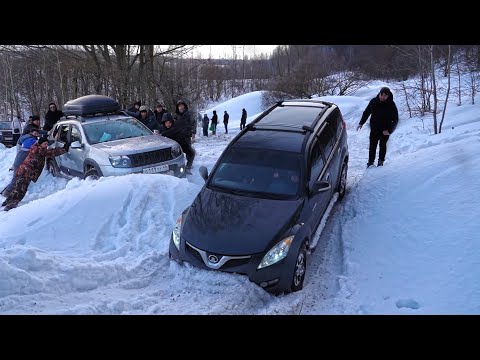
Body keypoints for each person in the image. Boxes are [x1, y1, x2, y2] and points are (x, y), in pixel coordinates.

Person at [2, 137, 67, 211]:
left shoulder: (36, 147)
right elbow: (51, 152)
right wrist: (64, 149)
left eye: (47, 144)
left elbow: (47, 150)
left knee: (18, 188)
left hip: (23, 171)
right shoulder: (39, 150)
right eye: (44, 144)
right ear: (40, 143)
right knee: (21, 190)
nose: (46, 145)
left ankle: (7, 202)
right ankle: (10, 205)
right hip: (26, 173)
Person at [356, 86, 398, 168]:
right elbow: (367, 112)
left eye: (385, 96)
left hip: (385, 130)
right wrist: (361, 123)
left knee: (382, 146)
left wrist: (389, 130)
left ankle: (380, 162)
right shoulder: (373, 101)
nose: (383, 97)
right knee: (372, 146)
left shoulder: (391, 104)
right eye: (382, 95)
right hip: (374, 129)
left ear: (388, 96)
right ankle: (370, 162)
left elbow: (395, 119)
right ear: (379, 93)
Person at [1, 129, 40, 197]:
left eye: (37, 133)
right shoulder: (30, 140)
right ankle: (6, 193)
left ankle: (5, 191)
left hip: (20, 162)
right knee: (16, 179)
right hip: (19, 163)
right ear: (31, 133)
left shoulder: (27, 138)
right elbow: (36, 145)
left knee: (16, 178)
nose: (36, 134)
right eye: (35, 132)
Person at [163, 100, 196, 170]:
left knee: (189, 151)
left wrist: (193, 132)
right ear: (177, 107)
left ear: (184, 106)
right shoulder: (175, 115)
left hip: (186, 134)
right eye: (179, 106)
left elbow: (194, 122)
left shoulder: (189, 114)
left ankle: (189, 164)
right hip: (178, 135)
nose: (181, 107)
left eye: (182, 106)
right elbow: (172, 126)